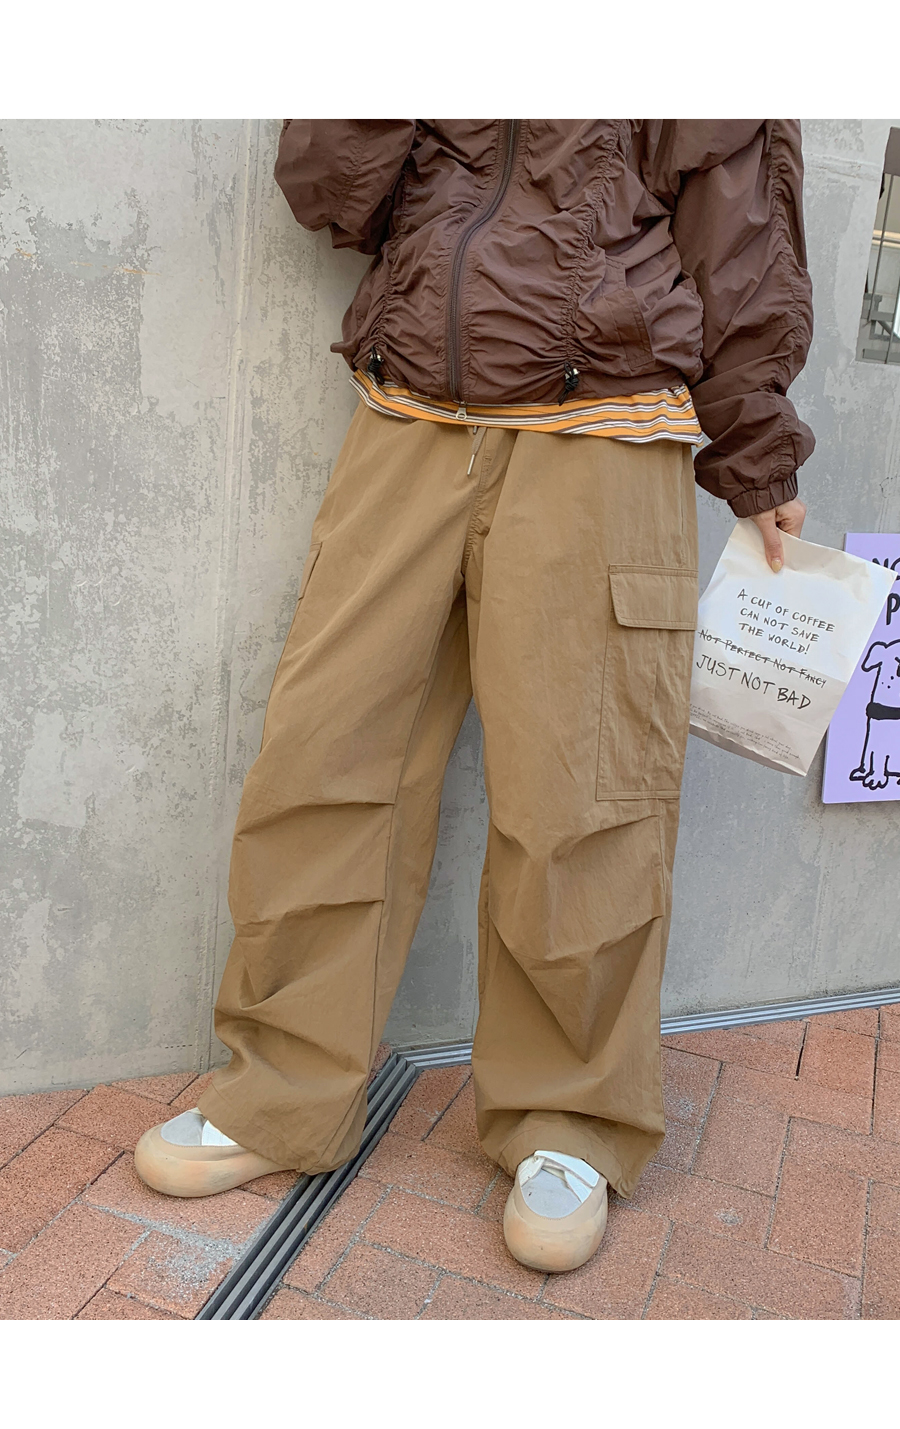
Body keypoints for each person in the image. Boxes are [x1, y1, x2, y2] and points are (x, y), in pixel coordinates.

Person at [135, 120, 813, 1273]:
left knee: (583, 794)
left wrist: (757, 448)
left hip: (603, 431)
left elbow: (738, 219)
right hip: (408, 415)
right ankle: (281, 1088)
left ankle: (570, 1117)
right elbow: (329, 192)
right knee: (323, 755)